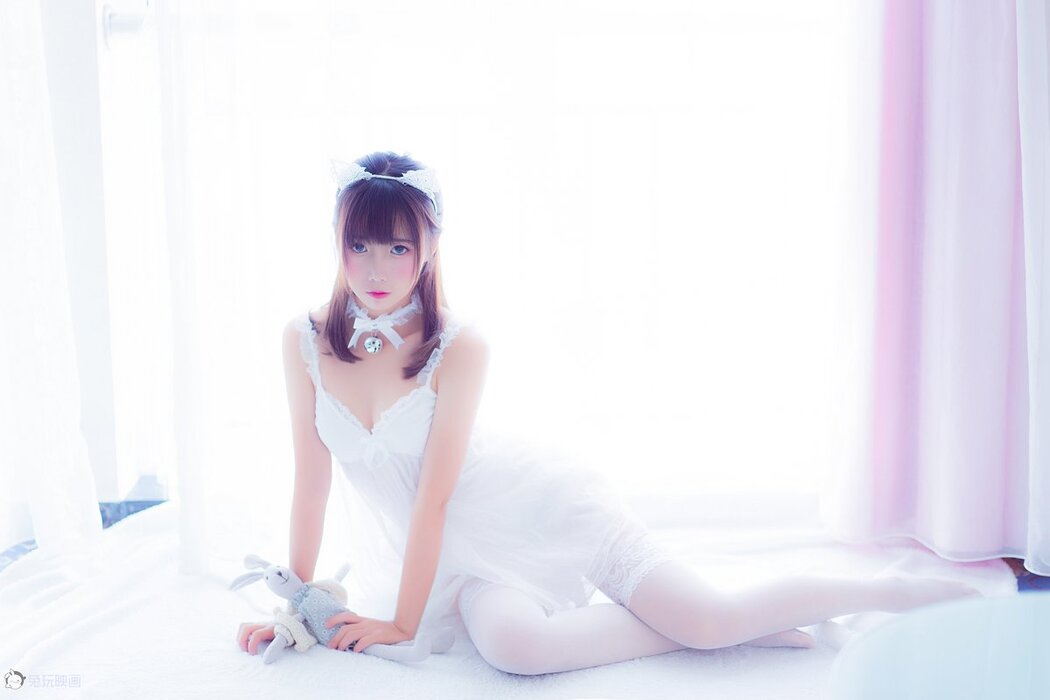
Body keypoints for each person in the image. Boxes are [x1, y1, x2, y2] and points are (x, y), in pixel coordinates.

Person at [236, 150, 983, 675]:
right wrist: (294, 603)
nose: (376, 268)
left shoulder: (459, 346)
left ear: (428, 250)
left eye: (397, 247)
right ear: (337, 244)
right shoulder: (303, 341)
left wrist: (403, 624)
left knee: (711, 615)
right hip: (456, 560)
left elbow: (432, 498)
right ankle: (723, 629)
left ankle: (886, 590)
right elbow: (311, 483)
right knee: (519, 651)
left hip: (535, 509)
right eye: (359, 245)